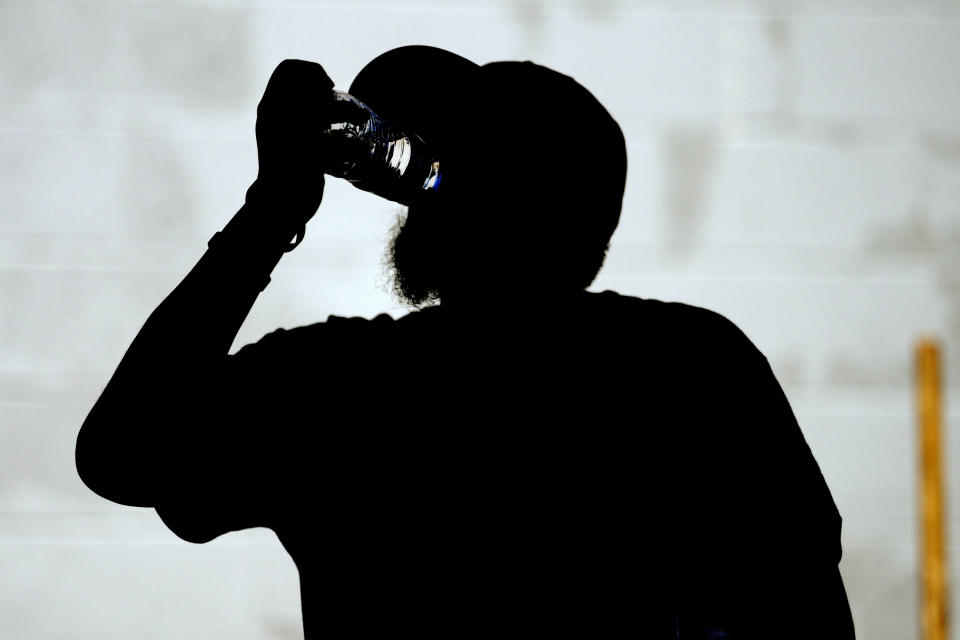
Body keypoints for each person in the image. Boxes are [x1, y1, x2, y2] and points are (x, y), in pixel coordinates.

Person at [75, 46, 855, 638]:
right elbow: (810, 613)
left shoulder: (346, 389)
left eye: (447, 166)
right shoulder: (695, 367)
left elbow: (120, 454)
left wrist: (271, 209)